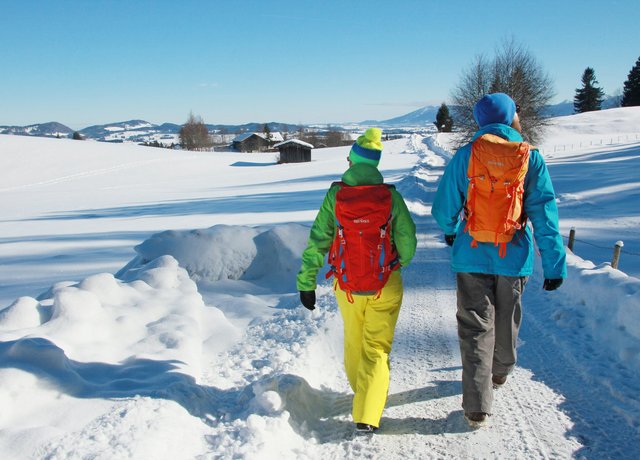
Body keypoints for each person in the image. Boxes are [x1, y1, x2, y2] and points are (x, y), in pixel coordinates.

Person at [431, 93, 566, 427]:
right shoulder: (530, 157)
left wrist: (451, 230)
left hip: (471, 255)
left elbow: (443, 208)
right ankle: (501, 371)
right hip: (514, 256)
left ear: (480, 120)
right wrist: (554, 264)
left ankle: (476, 407)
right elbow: (544, 214)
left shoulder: (466, 155)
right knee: (507, 320)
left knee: (476, 329)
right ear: (511, 118)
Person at [297, 128, 417, 433]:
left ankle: (363, 391)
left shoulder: (336, 195)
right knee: (376, 347)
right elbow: (408, 241)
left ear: (351, 161)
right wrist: (395, 264)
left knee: (353, 339)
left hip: (346, 285)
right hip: (385, 283)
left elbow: (317, 240)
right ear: (375, 164)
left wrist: (306, 282)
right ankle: (367, 412)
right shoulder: (390, 196)